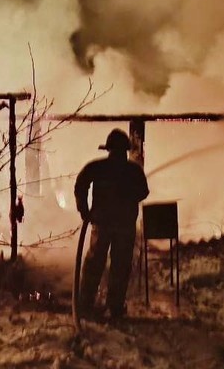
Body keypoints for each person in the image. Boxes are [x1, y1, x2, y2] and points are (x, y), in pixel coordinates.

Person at [74, 128, 149, 320]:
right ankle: (111, 306)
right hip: (120, 225)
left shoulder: (98, 167)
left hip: (104, 223)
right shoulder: (133, 170)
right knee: (119, 265)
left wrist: (85, 210)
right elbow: (143, 192)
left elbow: (80, 185)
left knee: (98, 264)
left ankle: (87, 305)